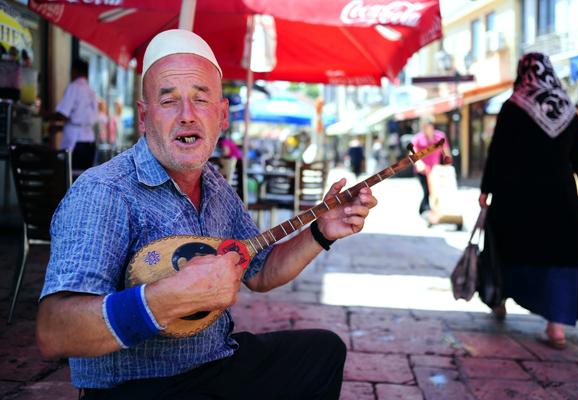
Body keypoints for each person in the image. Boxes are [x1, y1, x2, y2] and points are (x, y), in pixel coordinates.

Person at [36, 29, 377, 399]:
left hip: (213, 365)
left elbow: (260, 272)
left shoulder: (214, 185)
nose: (187, 116)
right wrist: (165, 299)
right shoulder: (105, 191)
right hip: (138, 388)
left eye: (201, 100)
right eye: (169, 101)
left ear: (222, 115)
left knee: (322, 353)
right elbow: (55, 331)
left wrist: (320, 232)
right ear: (145, 115)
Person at [479, 53, 578, 349]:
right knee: (560, 256)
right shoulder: (566, 108)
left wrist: (485, 188)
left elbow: (498, 153)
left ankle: (499, 301)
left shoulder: (514, 105)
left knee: (507, 249)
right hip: (561, 200)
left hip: (515, 199)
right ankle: (557, 328)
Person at [55, 59, 99, 170]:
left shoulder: (74, 87)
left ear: (75, 71)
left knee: (71, 178)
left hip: (75, 143)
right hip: (90, 142)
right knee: (84, 180)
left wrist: (44, 115)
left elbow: (63, 114)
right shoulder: (91, 91)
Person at [410, 116, 452, 215]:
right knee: (427, 190)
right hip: (422, 171)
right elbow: (412, 153)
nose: (425, 128)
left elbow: (446, 151)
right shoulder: (418, 138)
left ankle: (425, 210)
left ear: (432, 126)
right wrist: (419, 164)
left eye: (427, 126)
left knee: (434, 190)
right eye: (423, 127)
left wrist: (448, 163)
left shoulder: (440, 136)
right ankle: (427, 210)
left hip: (435, 171)